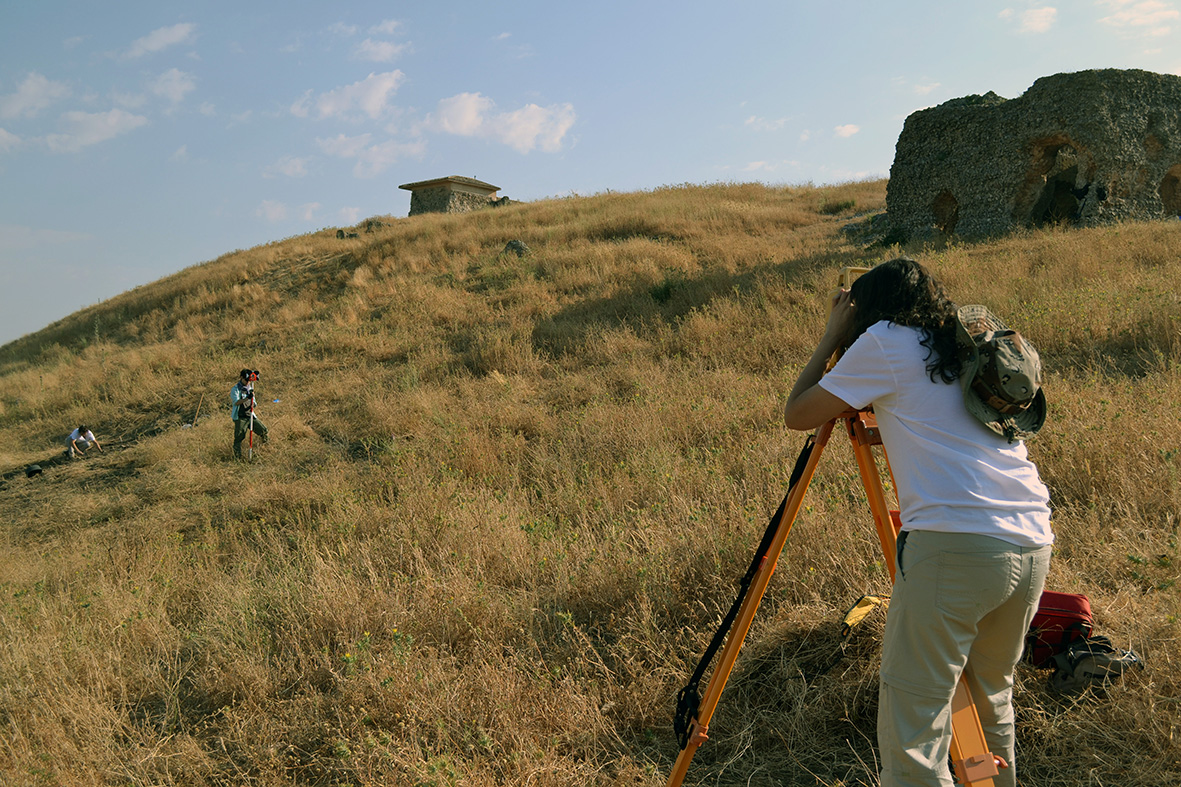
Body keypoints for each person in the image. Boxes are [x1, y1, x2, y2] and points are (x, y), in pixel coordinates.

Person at [783, 257, 1053, 787]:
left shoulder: (884, 339)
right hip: (1031, 540)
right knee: (989, 698)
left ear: (870, 306)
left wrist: (832, 334)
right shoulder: (958, 342)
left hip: (956, 546)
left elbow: (798, 413)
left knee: (915, 731)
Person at [231, 368, 268, 459]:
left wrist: (253, 399)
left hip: (250, 415)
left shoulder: (250, 388)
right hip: (240, 417)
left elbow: (254, 404)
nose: (248, 382)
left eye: (249, 380)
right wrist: (247, 398)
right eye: (246, 380)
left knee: (263, 430)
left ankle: (265, 450)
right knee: (239, 438)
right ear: (241, 378)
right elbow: (236, 402)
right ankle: (238, 458)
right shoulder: (235, 389)